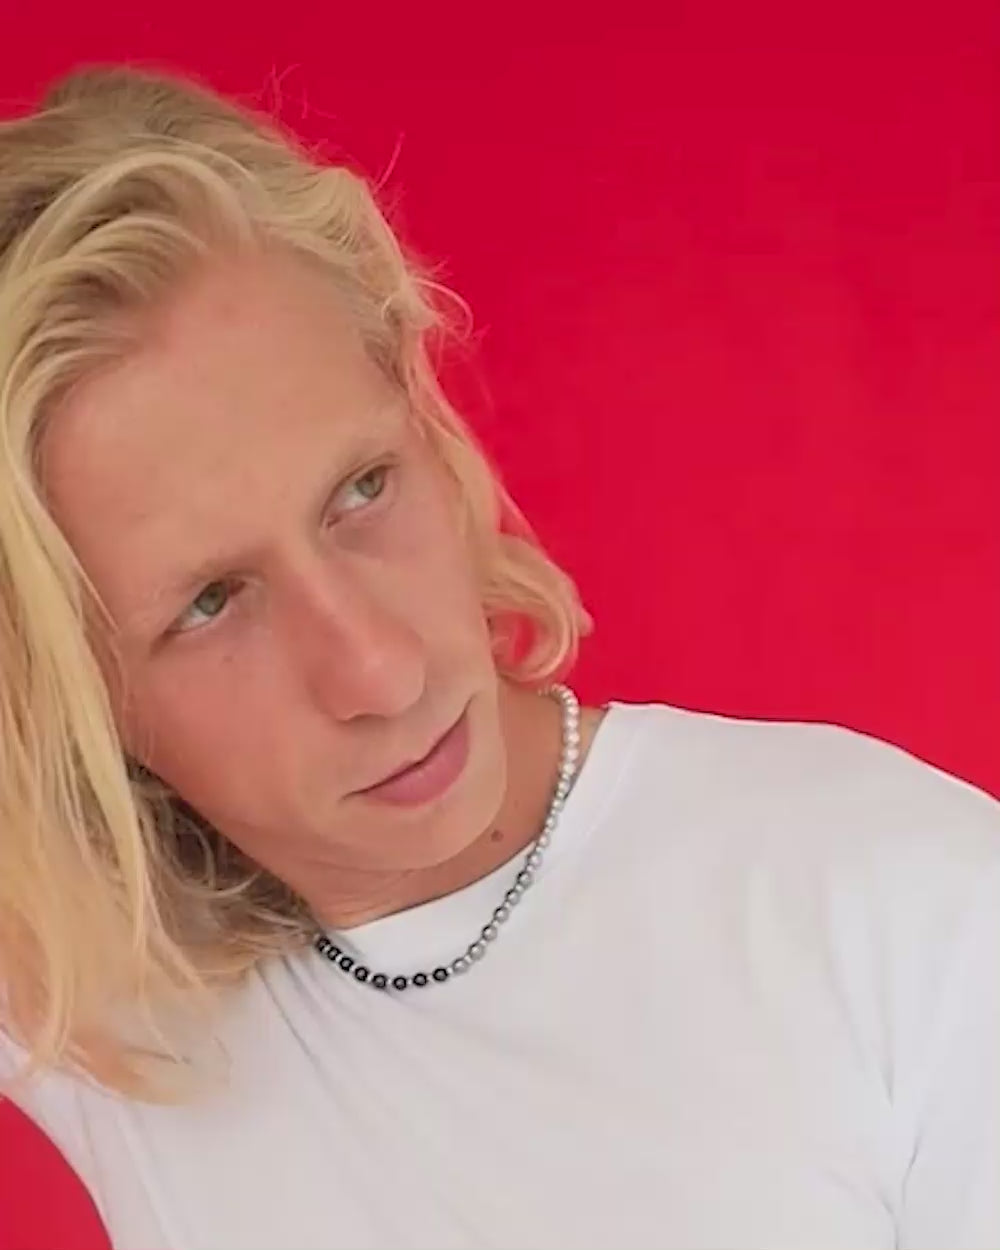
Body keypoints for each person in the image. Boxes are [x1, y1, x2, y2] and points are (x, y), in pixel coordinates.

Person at [0, 63, 997, 1250]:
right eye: (210, 603)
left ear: (420, 412)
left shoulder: (905, 904)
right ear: (67, 690)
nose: (379, 672)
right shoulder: (102, 997)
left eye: (362, 489)